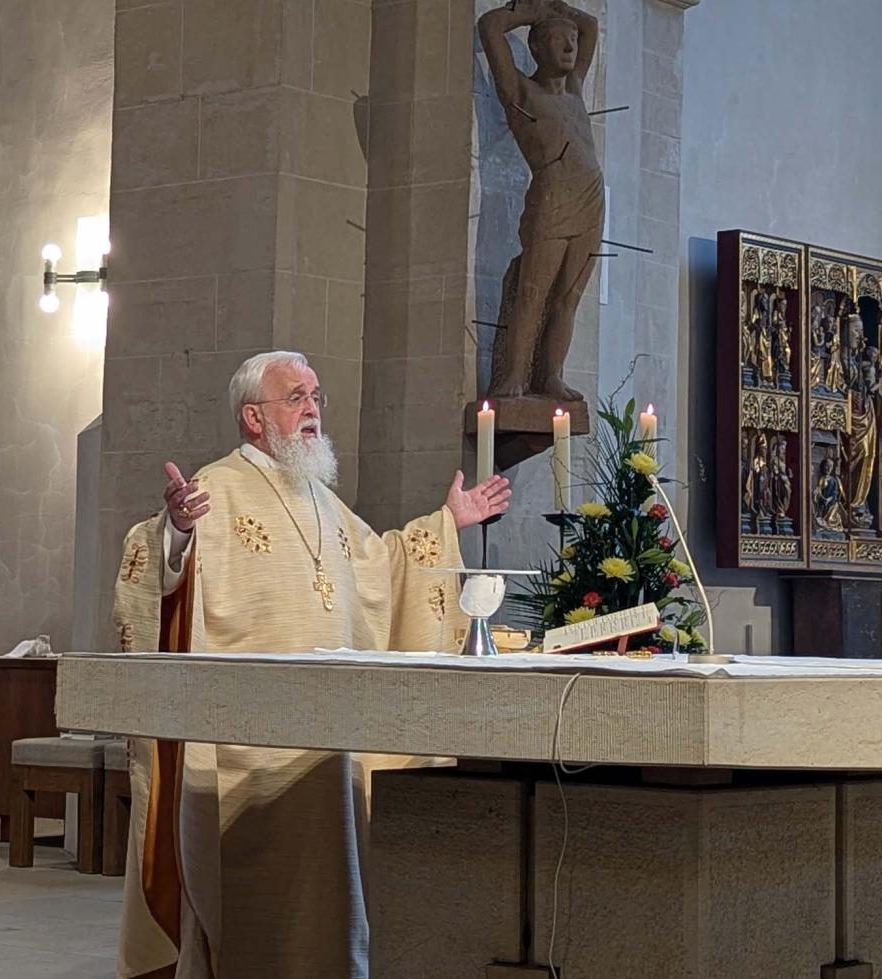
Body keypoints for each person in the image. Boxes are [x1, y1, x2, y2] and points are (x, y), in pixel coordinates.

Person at [111, 351, 511, 978]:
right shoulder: (213, 492)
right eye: (295, 397)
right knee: (256, 916)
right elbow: (156, 569)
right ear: (252, 417)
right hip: (249, 754)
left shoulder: (323, 501)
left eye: (316, 397)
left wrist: (448, 523)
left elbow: (383, 567)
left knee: (329, 911)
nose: (311, 411)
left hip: (331, 752)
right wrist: (177, 532)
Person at [480, 0, 603, 400]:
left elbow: (590, 26)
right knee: (532, 293)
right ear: (536, 48)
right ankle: (514, 375)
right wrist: (532, 13)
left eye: (570, 40)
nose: (570, 46)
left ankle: (550, 375)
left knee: (568, 297)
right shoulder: (521, 92)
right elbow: (490, 27)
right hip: (551, 198)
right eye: (558, 40)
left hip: (591, 199)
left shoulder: (575, 90)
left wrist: (556, 7)